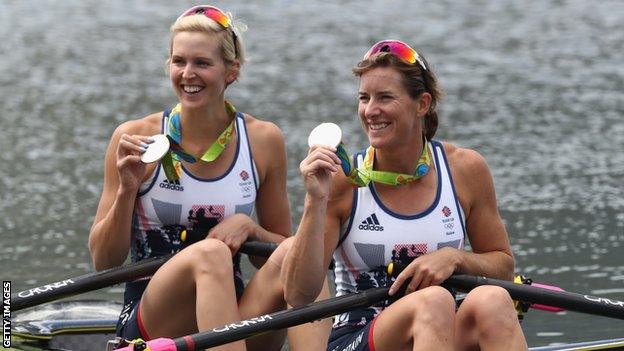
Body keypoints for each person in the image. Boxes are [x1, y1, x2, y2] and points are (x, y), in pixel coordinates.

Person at [88, 5, 329, 351]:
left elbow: (269, 253)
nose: (188, 74)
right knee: (212, 254)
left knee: (297, 251)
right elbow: (104, 260)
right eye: (179, 61)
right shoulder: (135, 138)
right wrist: (128, 189)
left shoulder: (264, 140)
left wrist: (251, 228)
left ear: (231, 71)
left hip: (228, 315)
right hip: (151, 320)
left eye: (202, 63)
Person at [282, 40, 528, 350]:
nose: (370, 111)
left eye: (385, 97)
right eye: (364, 98)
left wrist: (454, 258)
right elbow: (297, 295)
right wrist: (314, 200)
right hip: (358, 336)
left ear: (422, 104)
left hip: (440, 330)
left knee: (493, 298)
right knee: (433, 300)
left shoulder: (466, 169)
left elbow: (503, 267)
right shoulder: (342, 180)